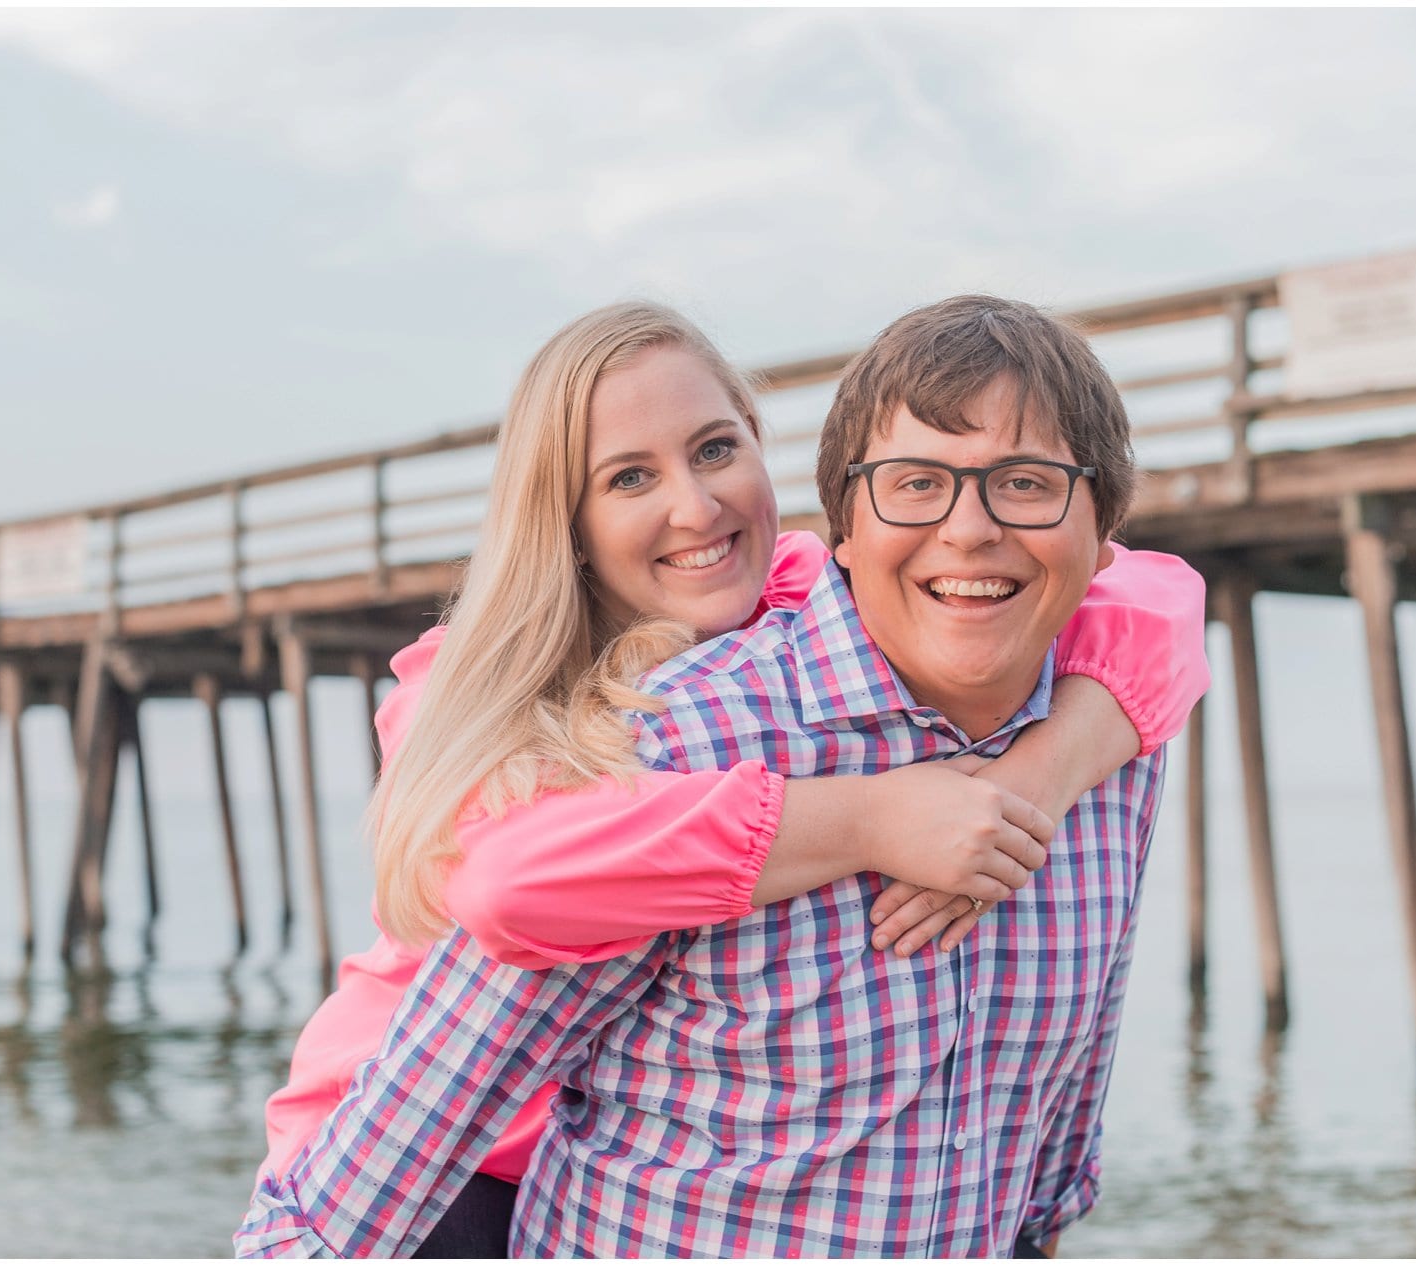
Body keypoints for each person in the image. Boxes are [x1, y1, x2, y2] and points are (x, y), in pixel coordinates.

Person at [247, 300, 1205, 1256]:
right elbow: (508, 889)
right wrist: (870, 817)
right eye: (629, 477)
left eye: (713, 452)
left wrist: (1045, 769)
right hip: (445, 1174)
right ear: (569, 526)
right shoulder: (544, 720)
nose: (696, 509)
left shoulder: (1064, 707)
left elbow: (1155, 592)